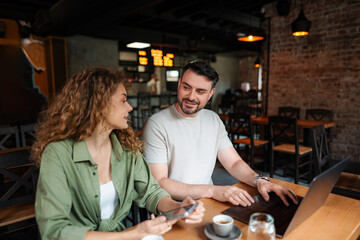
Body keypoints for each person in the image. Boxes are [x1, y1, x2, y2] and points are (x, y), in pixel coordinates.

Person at [31, 67, 204, 240]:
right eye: (123, 101)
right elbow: (54, 231)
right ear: (99, 105)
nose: (129, 107)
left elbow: (151, 192)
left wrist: (178, 207)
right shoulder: (58, 154)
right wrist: (131, 234)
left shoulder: (125, 147)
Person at [142, 61, 298, 208]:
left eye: (200, 91)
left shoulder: (213, 119)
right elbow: (160, 182)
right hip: (174, 208)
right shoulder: (157, 124)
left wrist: (259, 181)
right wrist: (213, 191)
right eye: (186, 87)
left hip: (208, 202)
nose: (191, 96)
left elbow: (233, 163)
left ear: (211, 94)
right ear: (179, 84)